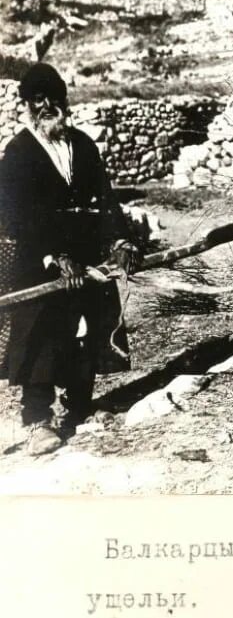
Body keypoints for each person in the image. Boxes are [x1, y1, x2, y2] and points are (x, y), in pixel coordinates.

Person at [0, 63, 139, 455]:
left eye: (54, 97)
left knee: (89, 331)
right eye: (38, 99)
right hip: (40, 262)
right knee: (42, 335)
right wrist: (54, 256)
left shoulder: (83, 144)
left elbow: (106, 199)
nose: (48, 105)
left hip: (88, 258)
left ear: (65, 99)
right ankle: (37, 422)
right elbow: (15, 216)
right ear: (27, 105)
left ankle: (79, 407)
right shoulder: (18, 154)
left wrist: (121, 240)